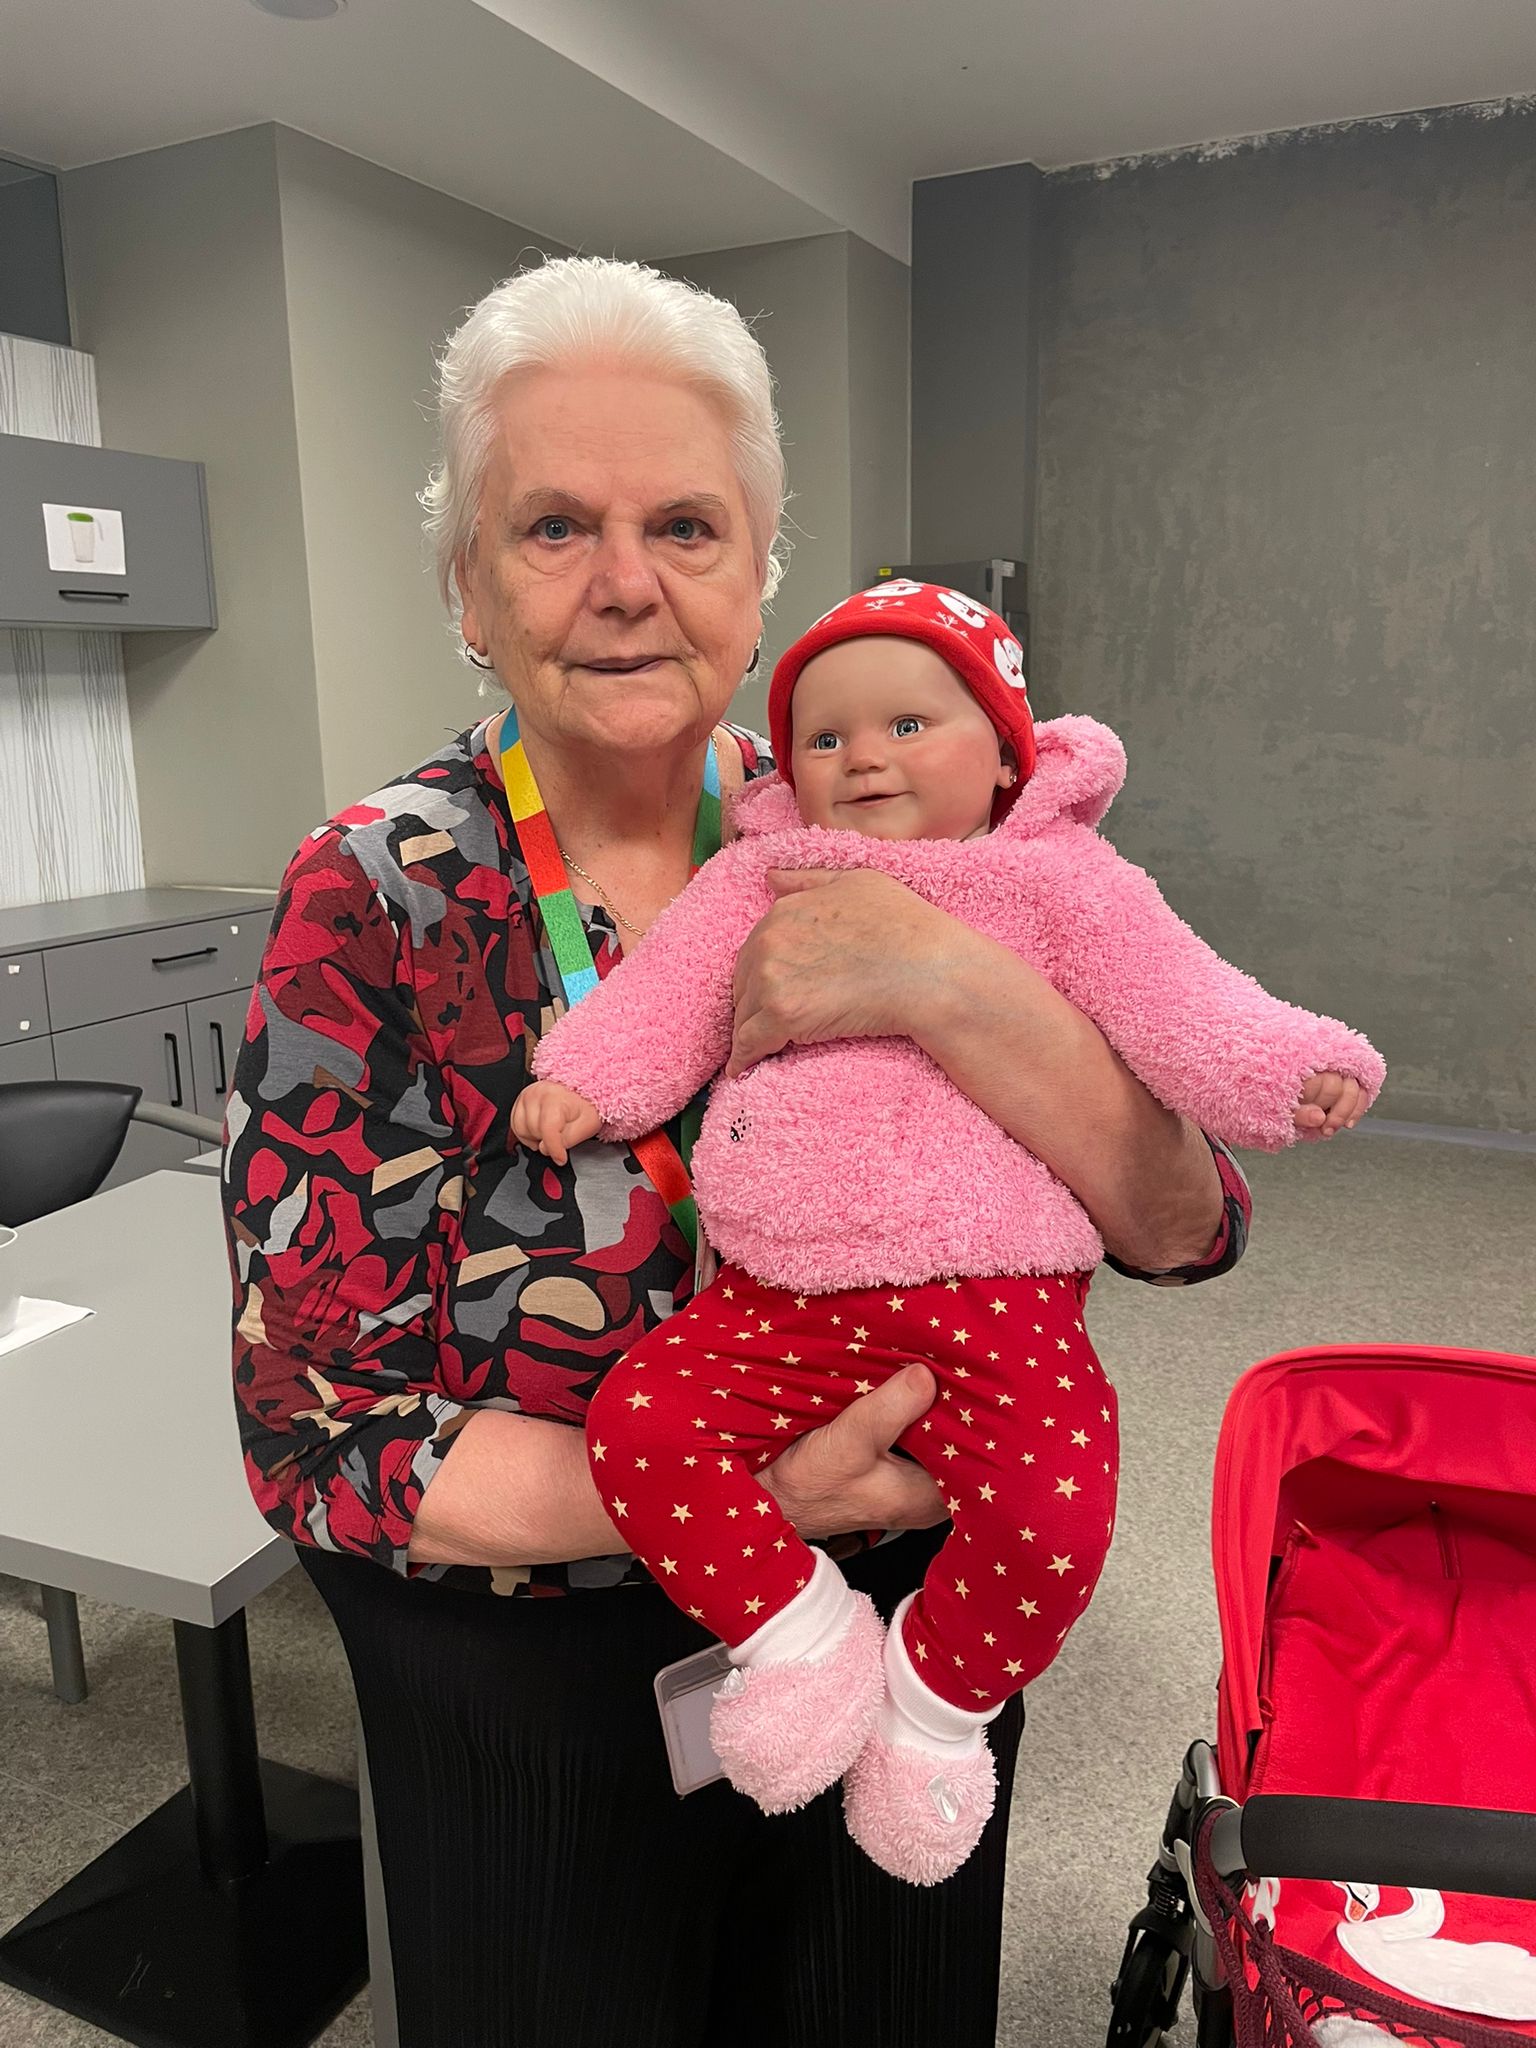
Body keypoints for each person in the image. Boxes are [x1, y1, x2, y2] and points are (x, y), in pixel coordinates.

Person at [225, 254, 1257, 2048]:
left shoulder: (902, 817)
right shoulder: (380, 891)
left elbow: (1186, 1227)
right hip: (534, 1681)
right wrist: (761, 1500)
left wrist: (950, 984)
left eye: (687, 526)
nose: (627, 582)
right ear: (467, 584)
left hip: (913, 1642)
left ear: (762, 567)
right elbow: (314, 1431)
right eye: (554, 526)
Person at [515, 579, 1383, 1885]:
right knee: (640, 1431)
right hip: (776, 1294)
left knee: (1056, 1521)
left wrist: (1284, 1068)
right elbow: (670, 998)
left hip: (1001, 1300)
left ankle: (929, 1711)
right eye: (826, 736)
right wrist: (590, 1077)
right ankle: (801, 1641)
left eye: (909, 724)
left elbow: (1187, 1003)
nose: (863, 756)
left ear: (1008, 753)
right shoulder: (765, 874)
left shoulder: (1063, 881)